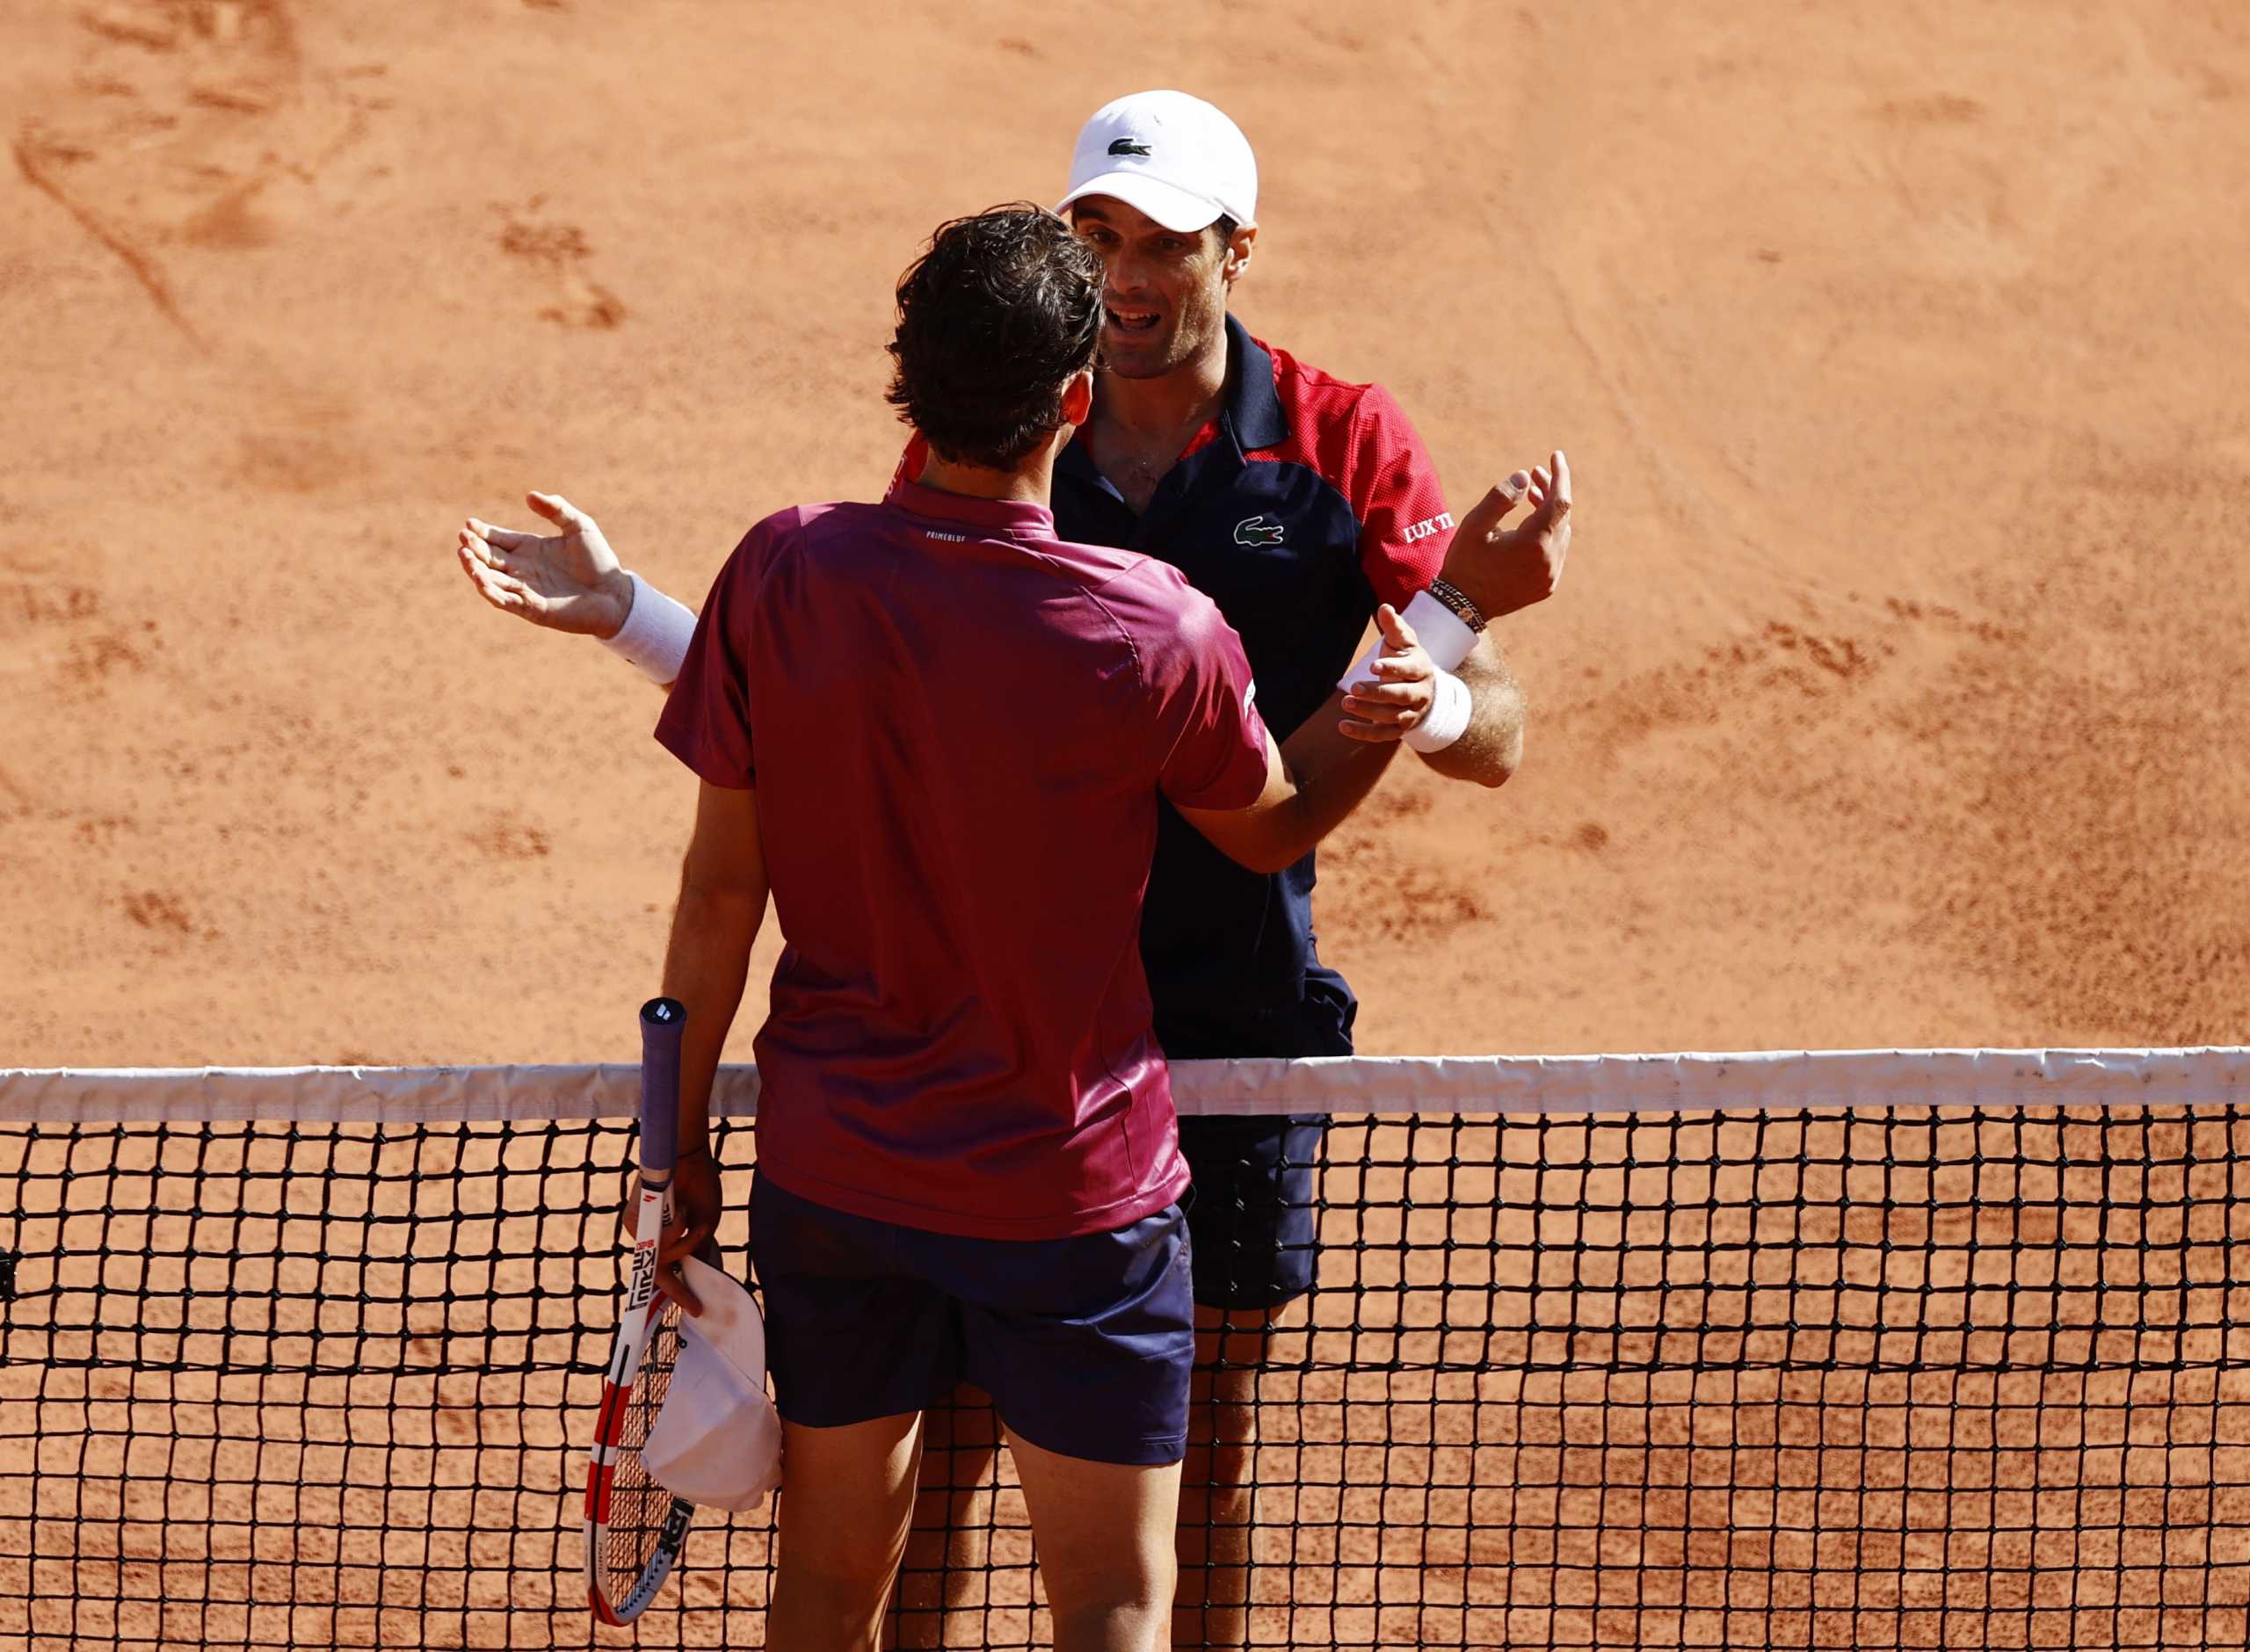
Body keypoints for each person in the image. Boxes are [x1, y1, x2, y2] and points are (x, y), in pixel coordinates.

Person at [456, 92, 1572, 1649]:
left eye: (1163, 242)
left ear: (1235, 251)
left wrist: (1446, 682)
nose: (1127, 273)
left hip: (1194, 1028)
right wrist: (1447, 610)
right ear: (1055, 341)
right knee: (1011, 1507)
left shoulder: (1333, 444)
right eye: (1095, 238)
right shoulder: (1106, 569)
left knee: (1195, 1466)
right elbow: (927, 682)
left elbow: (1489, 738)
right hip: (1067, 1119)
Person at [610, 201, 1443, 1652]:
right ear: (1073, 399)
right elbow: (1271, 827)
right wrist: (1415, 671)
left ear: (907, 379)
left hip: (839, 1180)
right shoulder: (1155, 626)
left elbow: (715, 896)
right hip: (1074, 1204)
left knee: (824, 1594)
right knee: (1115, 1604)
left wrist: (671, 1140)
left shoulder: (782, 570)